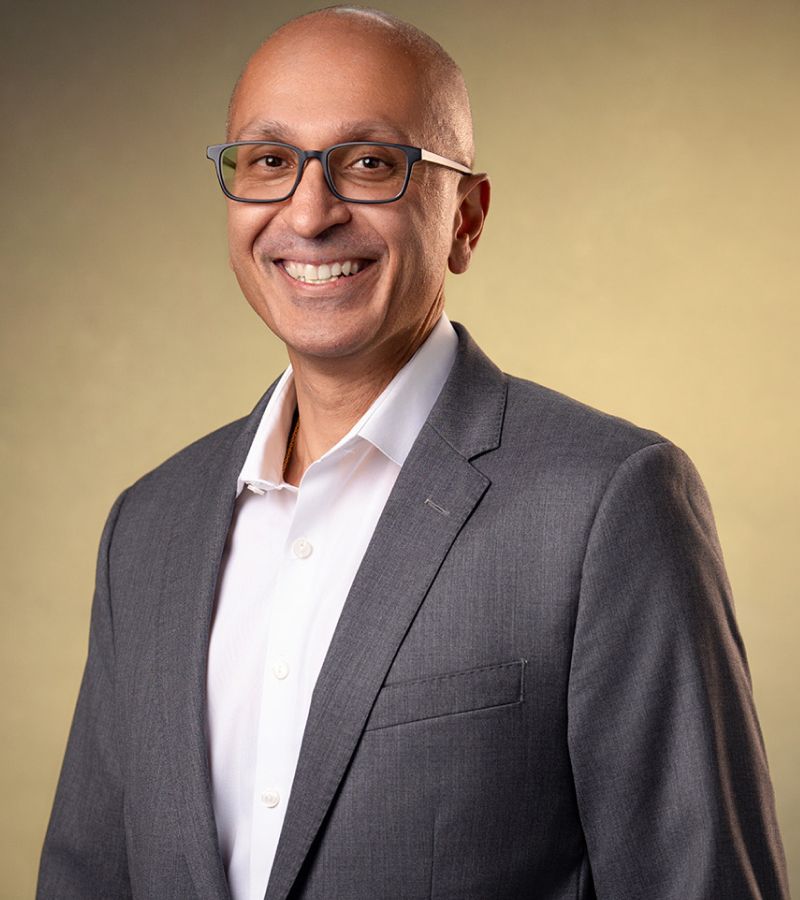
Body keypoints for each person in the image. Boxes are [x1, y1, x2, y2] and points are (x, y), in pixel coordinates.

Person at [38, 7, 789, 900]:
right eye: (270, 161)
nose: (309, 213)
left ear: (466, 218)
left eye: (370, 164)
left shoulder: (607, 505)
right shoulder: (148, 527)